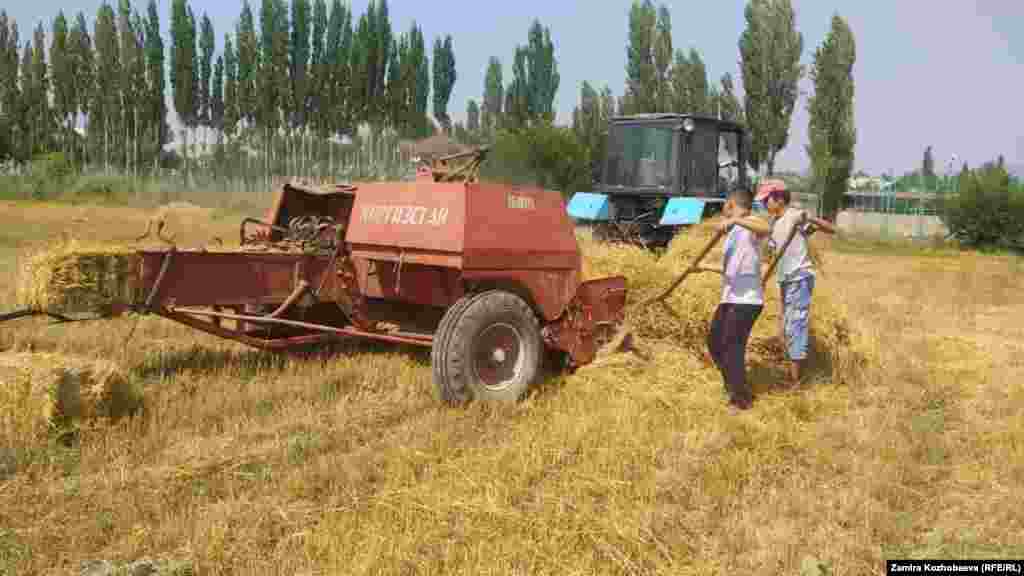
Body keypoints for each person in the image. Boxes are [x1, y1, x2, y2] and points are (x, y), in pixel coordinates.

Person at [755, 179, 837, 387]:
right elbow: (772, 256)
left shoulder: (794, 216)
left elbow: (830, 229)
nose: (765, 205)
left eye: (767, 200)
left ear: (779, 198)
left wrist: (810, 218)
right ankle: (793, 373)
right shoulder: (774, 223)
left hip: (799, 277)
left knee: (795, 326)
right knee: (786, 327)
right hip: (786, 279)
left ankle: (796, 383)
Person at [696, 187, 771, 410]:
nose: (723, 211)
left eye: (724, 206)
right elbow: (731, 267)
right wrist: (702, 266)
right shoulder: (734, 232)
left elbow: (765, 228)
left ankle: (741, 399)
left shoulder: (750, 222)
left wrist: (737, 220)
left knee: (732, 346)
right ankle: (732, 382)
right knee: (714, 342)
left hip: (747, 300)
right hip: (730, 297)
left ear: (730, 204)